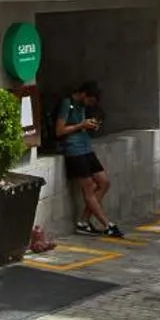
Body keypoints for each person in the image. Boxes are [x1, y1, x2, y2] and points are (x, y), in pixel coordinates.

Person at [55, 81, 123, 238]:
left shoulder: (82, 106)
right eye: (90, 101)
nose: (90, 104)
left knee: (104, 182)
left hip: (86, 147)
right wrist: (81, 125)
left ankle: (84, 221)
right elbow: (59, 131)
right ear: (84, 94)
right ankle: (108, 225)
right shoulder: (67, 104)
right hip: (73, 150)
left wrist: (90, 125)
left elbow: (81, 125)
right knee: (89, 187)